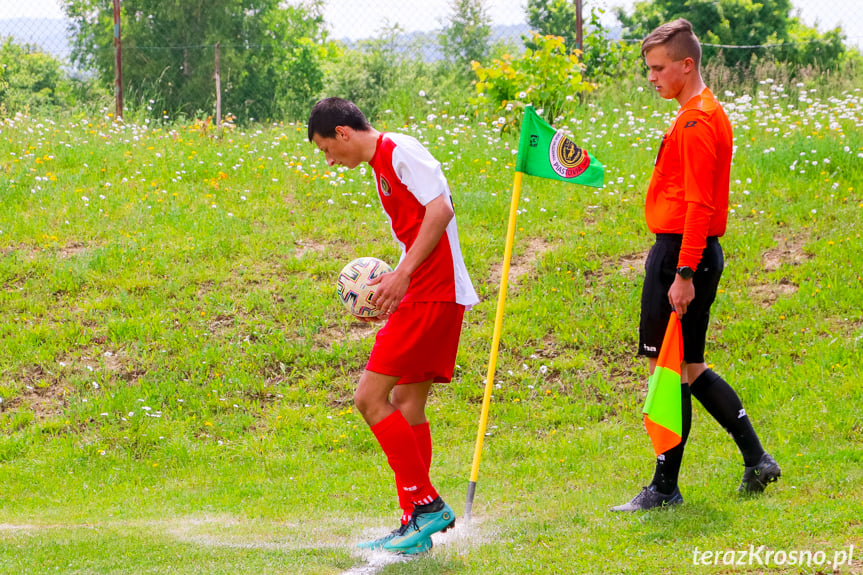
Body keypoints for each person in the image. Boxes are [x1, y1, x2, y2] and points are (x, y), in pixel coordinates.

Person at [612, 19, 781, 512]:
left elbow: (700, 204)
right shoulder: (702, 111)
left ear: (687, 65)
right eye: (649, 69)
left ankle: (664, 489)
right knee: (689, 366)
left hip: (682, 256)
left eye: (659, 69)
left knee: (665, 370)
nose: (652, 78)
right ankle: (757, 460)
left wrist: (683, 272)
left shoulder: (695, 121)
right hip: (691, 253)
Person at [308, 98, 479, 551]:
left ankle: (425, 506)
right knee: (406, 403)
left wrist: (403, 276)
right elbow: (416, 230)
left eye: (327, 149)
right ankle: (416, 520)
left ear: (343, 132)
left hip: (431, 291)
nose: (329, 159)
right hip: (426, 291)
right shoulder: (380, 169)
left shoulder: (399, 149)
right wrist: (390, 280)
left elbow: (441, 211)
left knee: (367, 397)